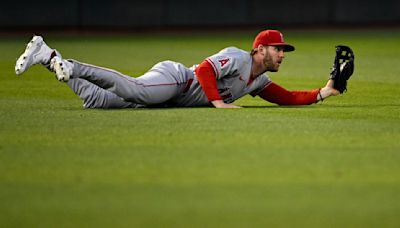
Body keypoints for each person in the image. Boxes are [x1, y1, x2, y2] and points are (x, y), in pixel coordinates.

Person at [15, 30, 340, 109]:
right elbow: (203, 72)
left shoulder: (258, 80)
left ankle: (47, 55)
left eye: (283, 51)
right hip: (177, 80)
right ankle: (71, 66)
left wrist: (326, 90)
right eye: (278, 49)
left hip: (173, 95)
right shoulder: (239, 57)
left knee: (98, 101)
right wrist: (218, 103)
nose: (282, 54)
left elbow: (286, 97)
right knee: (136, 89)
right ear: (260, 49)